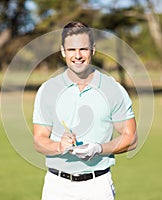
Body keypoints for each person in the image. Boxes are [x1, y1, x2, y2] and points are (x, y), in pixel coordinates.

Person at [33, 21, 137, 200]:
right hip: (57, 187)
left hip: (97, 187)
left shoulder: (113, 89)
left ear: (93, 49)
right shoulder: (47, 89)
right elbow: (39, 140)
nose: (78, 55)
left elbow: (132, 139)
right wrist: (59, 146)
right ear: (63, 51)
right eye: (72, 50)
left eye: (83, 49)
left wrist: (99, 148)